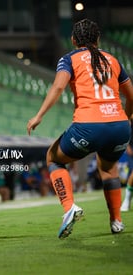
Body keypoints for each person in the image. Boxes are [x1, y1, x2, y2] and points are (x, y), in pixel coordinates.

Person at [27, 19, 133, 239]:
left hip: (89, 125)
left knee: (53, 158)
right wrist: (127, 116)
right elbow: (131, 95)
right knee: (108, 169)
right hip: (120, 126)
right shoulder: (113, 60)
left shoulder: (69, 59)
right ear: (98, 39)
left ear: (73, 40)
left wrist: (39, 115)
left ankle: (69, 208)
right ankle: (116, 221)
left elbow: (58, 86)